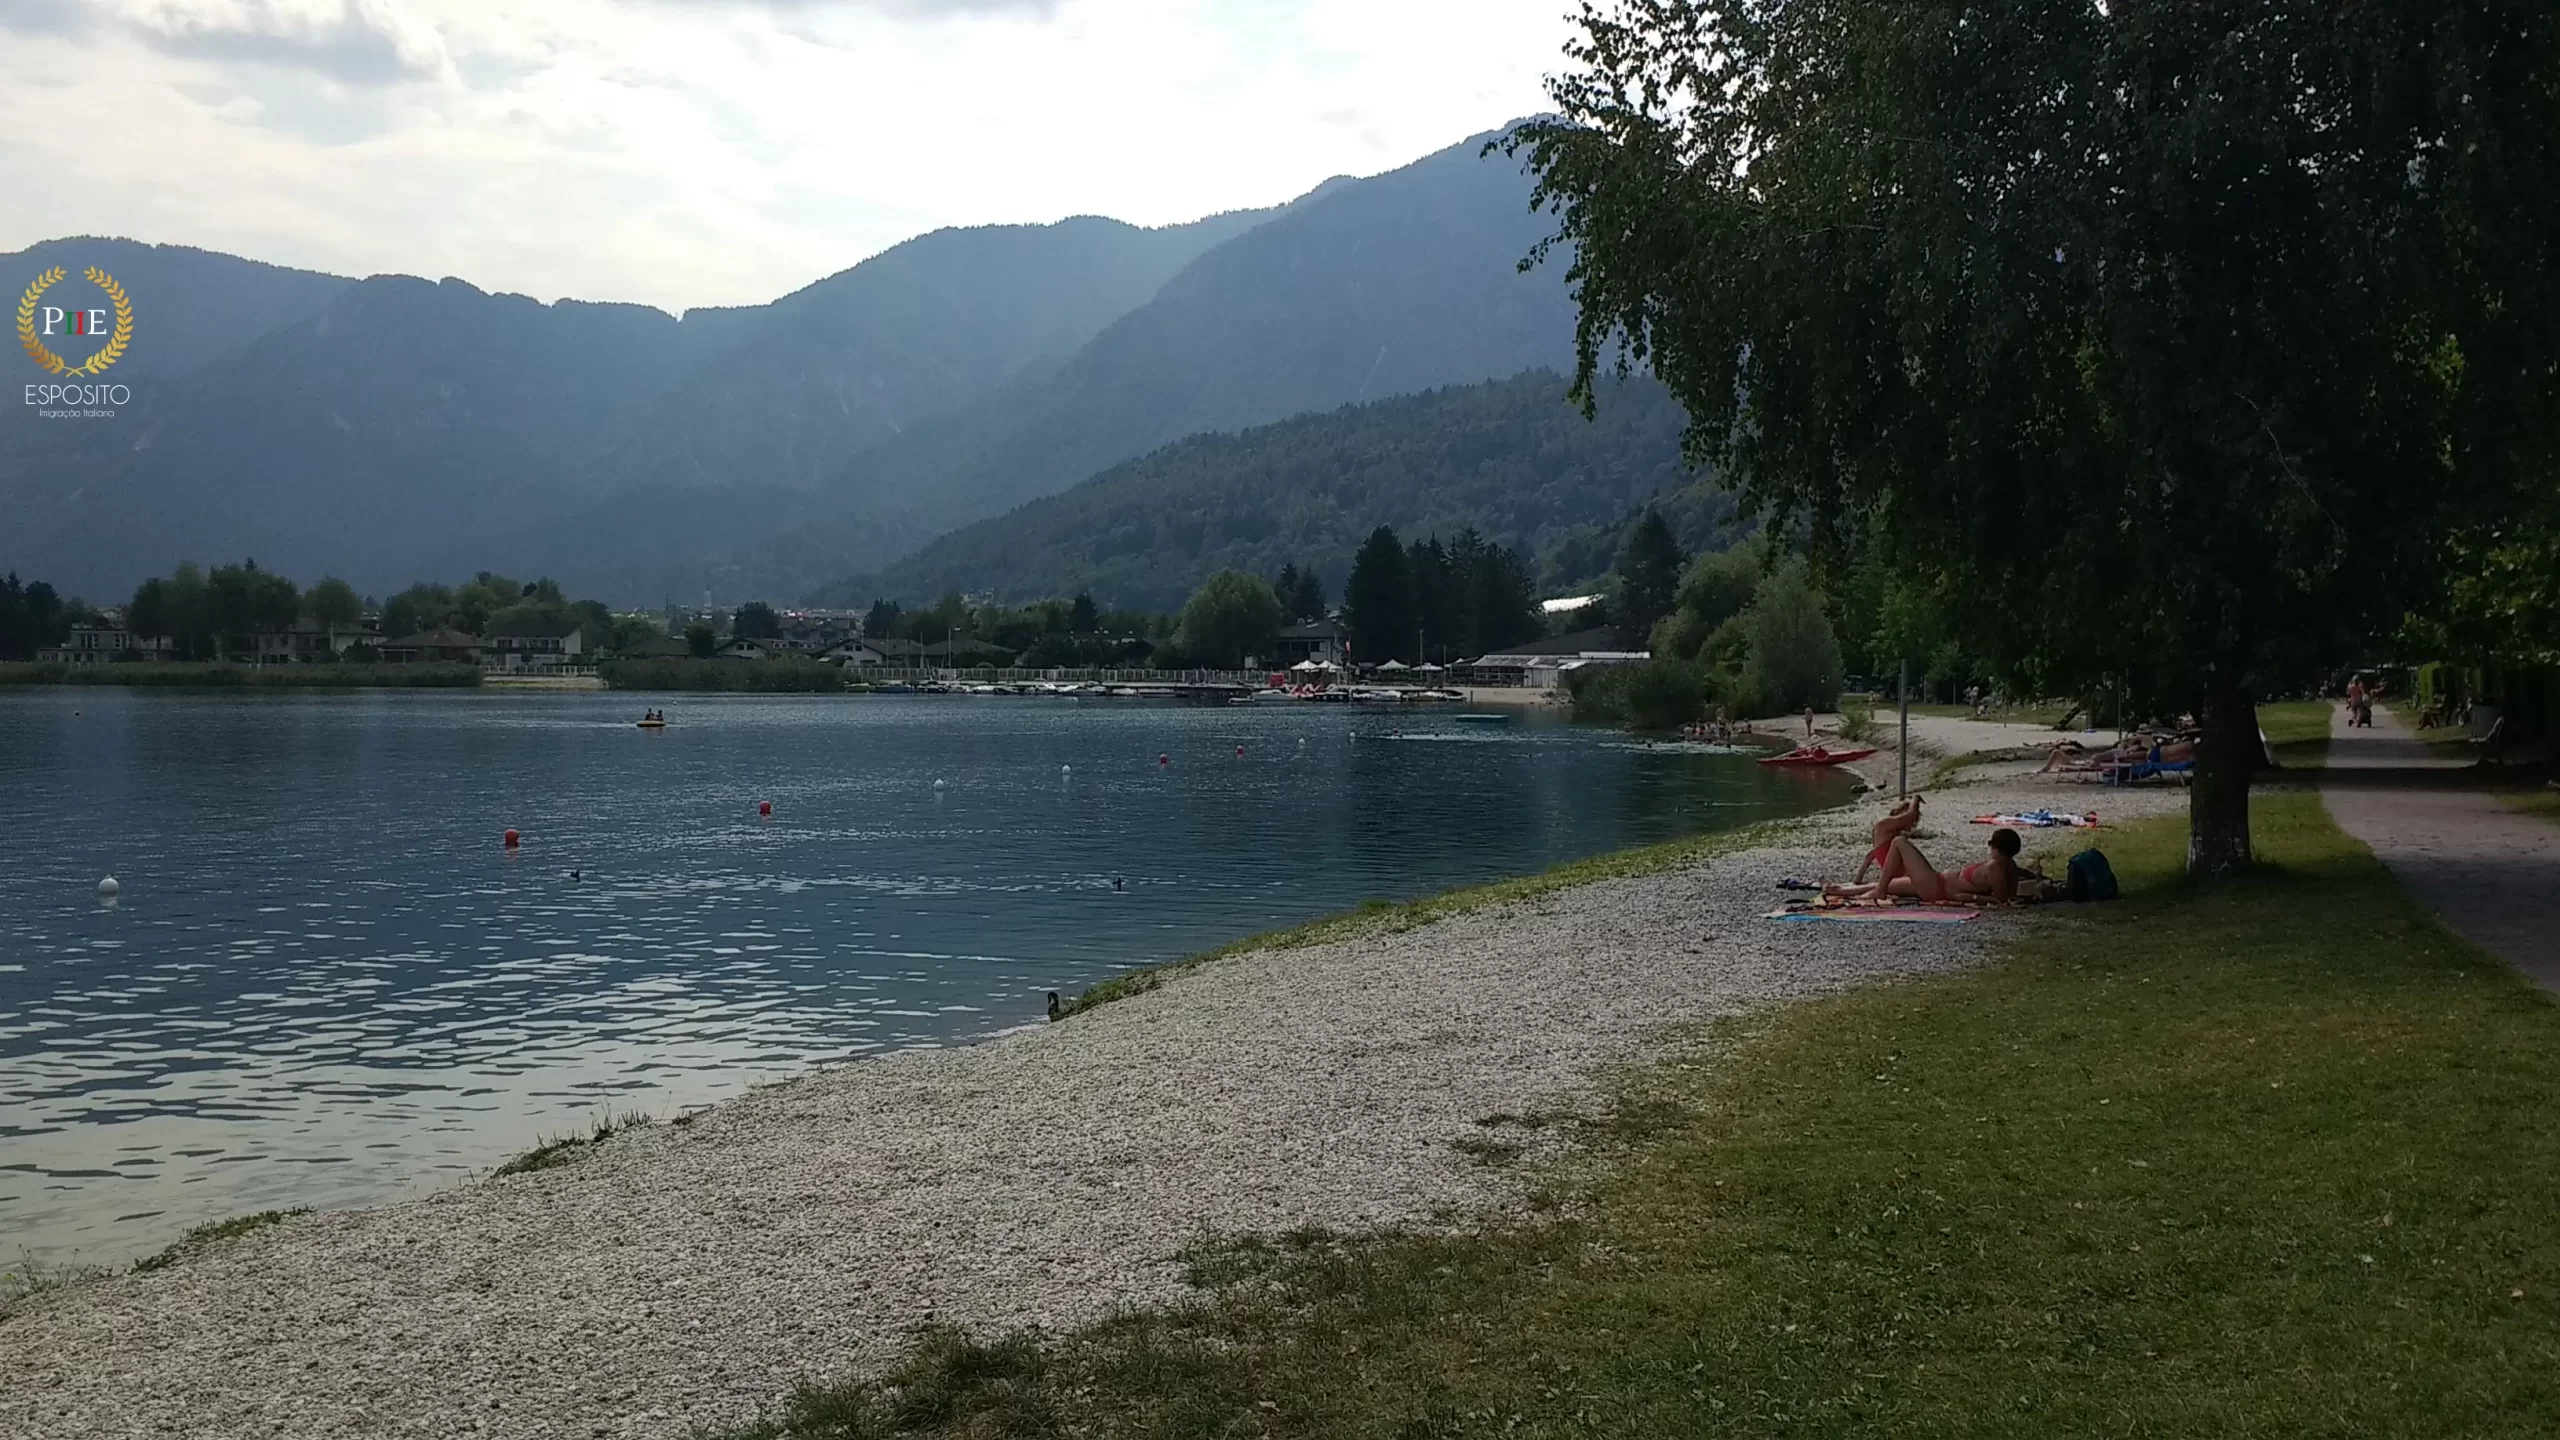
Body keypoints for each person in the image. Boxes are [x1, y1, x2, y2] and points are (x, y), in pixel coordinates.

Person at [1831, 828, 2028, 905]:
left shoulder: (1996, 868)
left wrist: (1972, 898)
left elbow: (2001, 901)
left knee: (1899, 842)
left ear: (1996, 847)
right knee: (1888, 882)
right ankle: (1842, 889)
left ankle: (1879, 891)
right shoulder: (2008, 865)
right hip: (1937, 882)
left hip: (1937, 888)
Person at [1853, 795, 1923, 883]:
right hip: (1902, 880)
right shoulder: (1883, 826)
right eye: (1913, 823)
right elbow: (1911, 815)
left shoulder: (1891, 833)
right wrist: (1915, 799)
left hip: (1901, 878)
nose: (1912, 826)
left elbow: (1869, 857)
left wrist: (1857, 881)